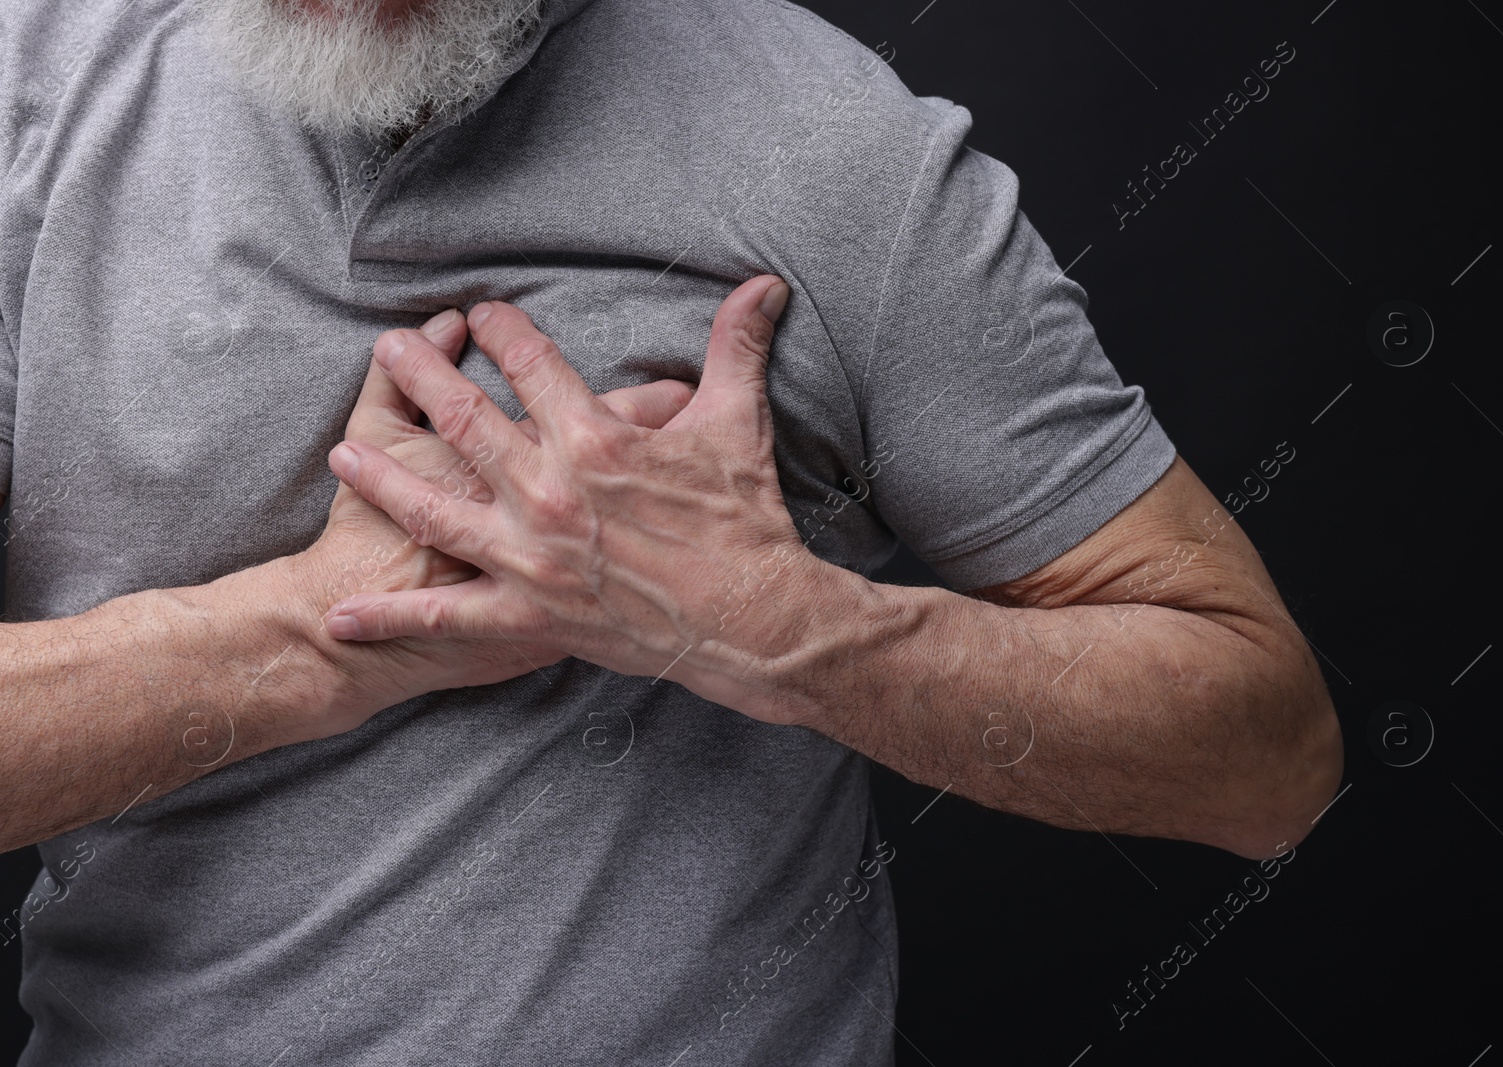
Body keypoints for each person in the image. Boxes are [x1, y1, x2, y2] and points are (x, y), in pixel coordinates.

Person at [0, 0, 1344, 1062]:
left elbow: (1264, 754)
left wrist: (786, 629)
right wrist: (308, 635)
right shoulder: (29, 92)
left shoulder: (832, 151)